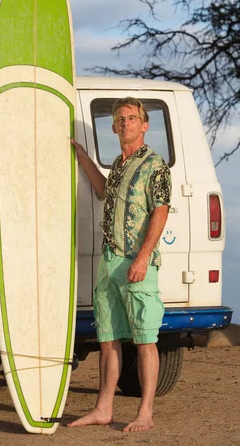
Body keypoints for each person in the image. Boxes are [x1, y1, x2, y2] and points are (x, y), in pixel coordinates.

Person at [68, 96, 171, 432]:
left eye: (131, 117)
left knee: (145, 339)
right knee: (108, 338)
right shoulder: (118, 165)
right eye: (120, 119)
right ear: (113, 127)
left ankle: (146, 414)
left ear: (144, 124)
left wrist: (143, 257)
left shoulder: (155, 165)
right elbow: (102, 191)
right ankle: (103, 408)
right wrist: (82, 157)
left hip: (137, 262)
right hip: (109, 262)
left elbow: (160, 211)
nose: (125, 122)